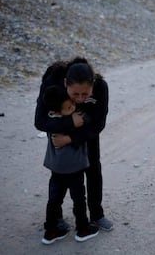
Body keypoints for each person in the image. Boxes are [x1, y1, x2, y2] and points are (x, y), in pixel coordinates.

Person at [34, 57, 114, 237]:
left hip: (87, 128)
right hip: (59, 126)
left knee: (93, 167)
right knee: (60, 173)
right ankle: (57, 219)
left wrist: (72, 137)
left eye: (85, 94)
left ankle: (96, 215)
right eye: (74, 94)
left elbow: (98, 125)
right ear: (65, 84)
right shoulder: (52, 82)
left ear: (93, 85)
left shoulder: (101, 88)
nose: (79, 99)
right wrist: (69, 122)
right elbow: (40, 121)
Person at [41, 85, 99, 244]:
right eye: (69, 107)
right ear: (57, 112)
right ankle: (83, 229)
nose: (73, 107)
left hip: (56, 171)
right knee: (79, 199)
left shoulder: (50, 122)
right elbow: (88, 118)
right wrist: (86, 106)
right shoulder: (74, 118)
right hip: (74, 169)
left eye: (72, 104)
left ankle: (50, 231)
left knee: (54, 200)